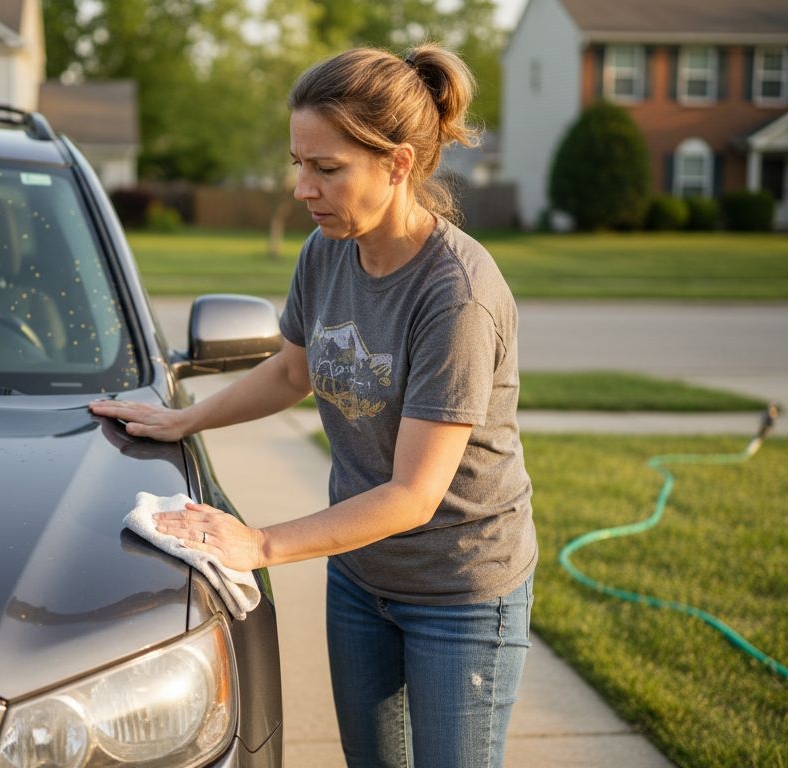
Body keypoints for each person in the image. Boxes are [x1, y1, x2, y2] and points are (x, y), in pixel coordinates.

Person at [90, 44, 536, 768]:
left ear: (396, 165)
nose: (303, 187)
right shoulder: (327, 252)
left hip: (460, 592)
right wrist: (184, 417)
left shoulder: (456, 294)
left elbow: (416, 494)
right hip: (361, 577)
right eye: (300, 163)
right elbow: (293, 369)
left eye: (327, 168)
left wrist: (260, 545)